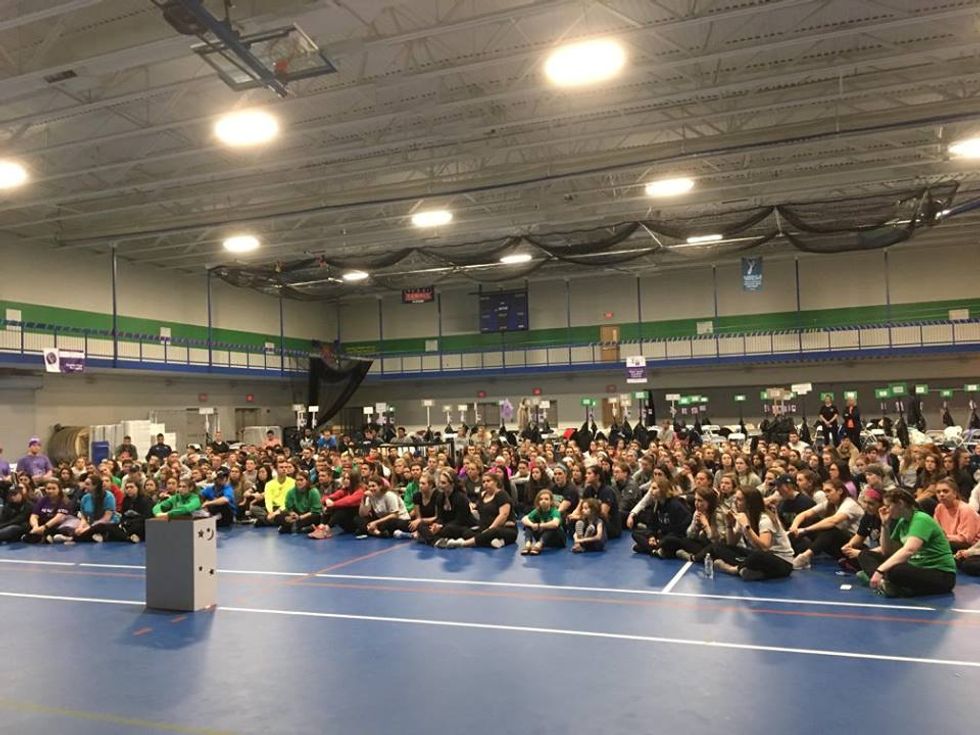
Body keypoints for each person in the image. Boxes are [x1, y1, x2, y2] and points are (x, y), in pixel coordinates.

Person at [856, 489, 956, 597]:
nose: (885, 509)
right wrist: (885, 525)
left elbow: (909, 550)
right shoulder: (903, 522)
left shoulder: (921, 519)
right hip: (916, 568)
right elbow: (887, 551)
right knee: (865, 554)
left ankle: (888, 583)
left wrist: (879, 570)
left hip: (940, 575)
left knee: (896, 570)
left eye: (889, 506)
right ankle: (885, 583)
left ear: (900, 504)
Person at [707, 487, 795, 581]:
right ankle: (753, 572)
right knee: (718, 547)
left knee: (757, 556)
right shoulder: (743, 516)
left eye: (739, 499)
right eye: (735, 499)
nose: (735, 502)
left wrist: (747, 527)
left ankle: (733, 569)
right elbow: (731, 543)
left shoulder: (765, 519)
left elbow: (764, 548)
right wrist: (729, 524)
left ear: (749, 503)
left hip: (781, 561)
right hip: (758, 557)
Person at [788, 479, 864, 569]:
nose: (826, 495)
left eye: (829, 491)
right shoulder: (829, 504)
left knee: (830, 529)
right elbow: (804, 514)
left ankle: (805, 557)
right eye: (824, 491)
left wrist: (805, 530)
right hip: (840, 545)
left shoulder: (850, 504)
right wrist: (794, 527)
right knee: (810, 521)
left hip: (856, 545)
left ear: (839, 491)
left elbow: (833, 521)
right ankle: (787, 551)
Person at [436, 471, 517, 549]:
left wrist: (489, 529)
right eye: (484, 482)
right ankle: (493, 541)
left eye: (488, 481)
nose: (486, 483)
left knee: (492, 532)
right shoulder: (483, 495)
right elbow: (478, 509)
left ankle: (463, 543)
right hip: (485, 528)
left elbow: (503, 515)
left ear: (496, 482)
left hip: (504, 529)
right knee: (466, 533)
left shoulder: (502, 494)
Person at [627, 477, 692, 556]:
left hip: (675, 537)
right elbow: (652, 525)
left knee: (668, 540)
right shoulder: (657, 504)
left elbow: (681, 528)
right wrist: (651, 536)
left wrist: (661, 540)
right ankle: (656, 550)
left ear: (662, 489)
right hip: (662, 536)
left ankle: (650, 548)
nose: (651, 491)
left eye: (654, 488)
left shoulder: (675, 505)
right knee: (635, 534)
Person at [658, 486, 723, 562]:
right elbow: (690, 535)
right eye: (695, 500)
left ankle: (693, 557)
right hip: (699, 544)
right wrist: (695, 525)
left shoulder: (717, 515)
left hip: (712, 546)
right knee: (672, 539)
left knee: (713, 549)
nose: (696, 503)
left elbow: (717, 541)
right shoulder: (698, 512)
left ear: (709, 502)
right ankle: (667, 550)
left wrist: (706, 525)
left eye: (700, 501)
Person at [932, 477, 980, 551]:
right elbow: (936, 531)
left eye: (945, 491)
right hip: (949, 541)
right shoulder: (939, 507)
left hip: (970, 547)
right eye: (938, 492)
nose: (941, 494)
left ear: (954, 493)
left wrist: (944, 538)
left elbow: (966, 539)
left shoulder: (966, 509)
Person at [22, 479, 74, 544]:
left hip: (58, 524)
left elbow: (58, 518)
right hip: (43, 524)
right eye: (48, 488)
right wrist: (35, 526)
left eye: (53, 488)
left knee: (59, 528)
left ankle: (63, 537)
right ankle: (45, 537)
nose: (50, 491)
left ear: (59, 489)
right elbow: (34, 515)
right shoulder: (43, 500)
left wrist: (44, 527)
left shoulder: (64, 501)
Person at [73, 475, 119, 543]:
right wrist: (80, 527)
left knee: (98, 527)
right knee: (76, 529)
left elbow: (106, 519)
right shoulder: (85, 498)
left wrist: (87, 528)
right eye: (85, 483)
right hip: (91, 523)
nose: (85, 486)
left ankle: (72, 538)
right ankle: (93, 536)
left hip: (107, 524)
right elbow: (84, 517)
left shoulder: (108, 496)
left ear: (96, 486)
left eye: (88, 484)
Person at [520, 489, 565, 555]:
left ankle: (539, 545)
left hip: (557, 539)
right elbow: (524, 519)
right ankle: (528, 544)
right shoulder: (537, 511)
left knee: (551, 527)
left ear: (551, 501)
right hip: (544, 539)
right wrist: (532, 525)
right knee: (528, 525)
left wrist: (539, 525)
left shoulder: (554, 511)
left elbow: (555, 523)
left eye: (546, 499)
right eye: (541, 499)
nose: (543, 501)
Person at [253, 460, 294, 526]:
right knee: (253, 508)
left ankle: (266, 520)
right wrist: (271, 512)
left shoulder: (293, 482)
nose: (284, 469)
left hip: (285, 508)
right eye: (281, 467)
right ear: (276, 469)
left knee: (289, 511)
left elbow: (289, 502)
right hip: (273, 507)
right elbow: (268, 500)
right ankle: (275, 521)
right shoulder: (269, 484)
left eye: (286, 467)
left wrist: (276, 512)